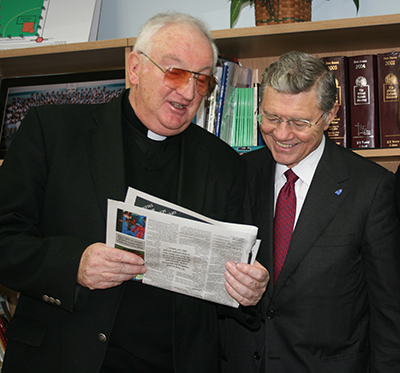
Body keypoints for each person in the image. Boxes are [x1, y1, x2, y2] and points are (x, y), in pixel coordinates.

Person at [0, 12, 268, 372]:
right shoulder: (53, 132)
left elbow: (224, 287)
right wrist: (74, 264)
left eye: (202, 81)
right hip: (63, 357)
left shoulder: (224, 164)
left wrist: (247, 291)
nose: (188, 92)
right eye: (175, 72)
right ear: (135, 68)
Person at [219, 51, 400, 372]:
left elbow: (389, 312)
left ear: (330, 115)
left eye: (299, 122)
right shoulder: (237, 173)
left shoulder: (371, 188)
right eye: (271, 117)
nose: (283, 134)